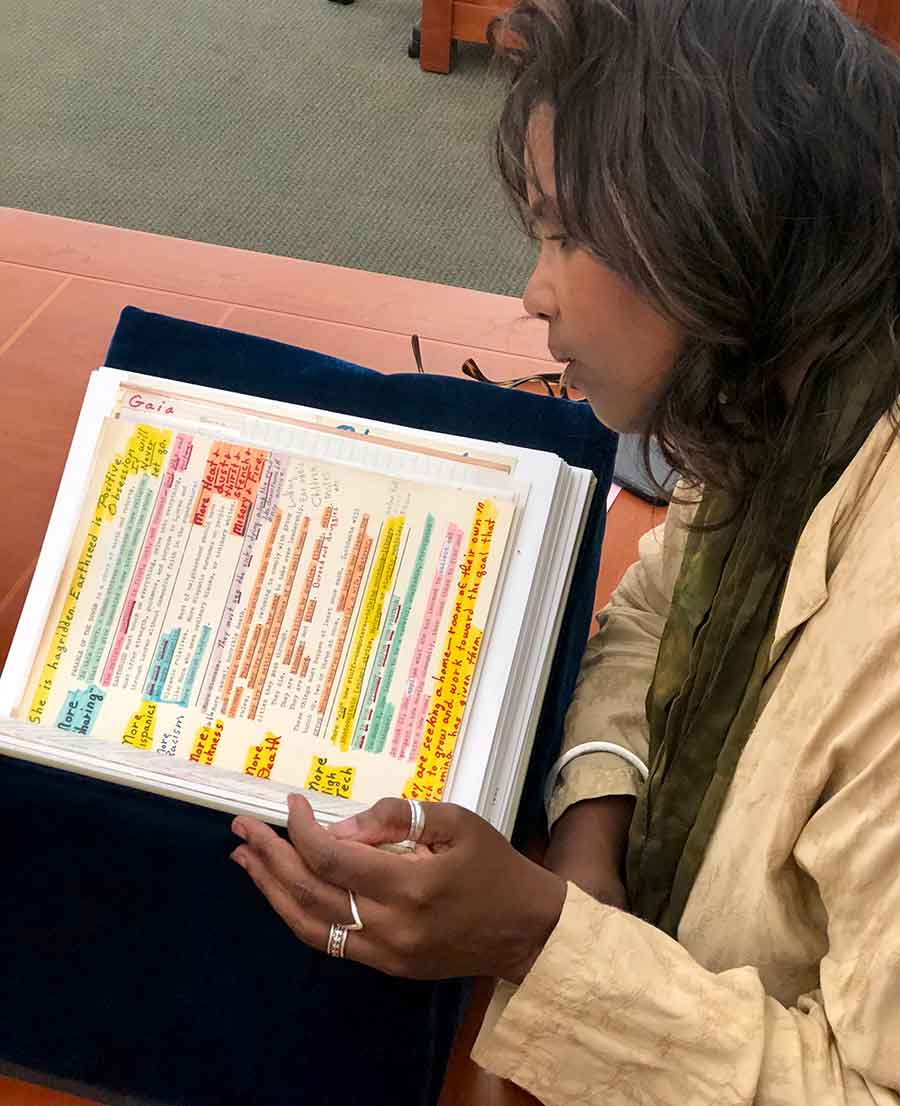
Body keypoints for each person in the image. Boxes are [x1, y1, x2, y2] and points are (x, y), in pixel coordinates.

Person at [228, 0, 900, 1101]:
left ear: (715, 223)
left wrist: (542, 947)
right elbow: (653, 612)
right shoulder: (783, 385)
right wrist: (585, 847)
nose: (533, 292)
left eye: (564, 235)